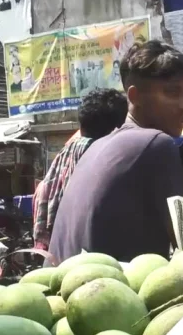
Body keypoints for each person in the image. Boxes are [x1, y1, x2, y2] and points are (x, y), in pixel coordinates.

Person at [49, 40, 183, 262]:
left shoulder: (96, 145)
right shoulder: (158, 144)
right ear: (134, 96)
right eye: (172, 93)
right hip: (103, 291)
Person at [33, 89, 127, 251]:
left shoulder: (66, 152)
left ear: (81, 124)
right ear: (118, 127)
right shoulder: (104, 154)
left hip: (58, 247)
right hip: (87, 250)